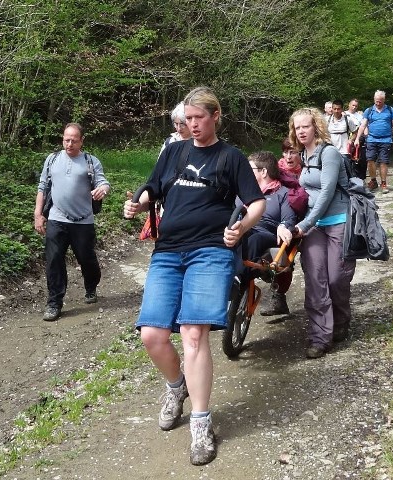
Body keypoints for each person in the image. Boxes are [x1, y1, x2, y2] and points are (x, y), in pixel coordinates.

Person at [123, 86, 265, 466]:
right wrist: (138, 203)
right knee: (152, 335)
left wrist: (242, 228)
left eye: (199, 118)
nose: (192, 125)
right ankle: (176, 387)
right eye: (188, 119)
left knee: (192, 333)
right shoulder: (173, 151)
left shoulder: (230, 157)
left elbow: (257, 203)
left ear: (215, 116)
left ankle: (201, 424)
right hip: (168, 252)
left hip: (210, 252)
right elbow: (153, 187)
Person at [280, 108, 356, 359]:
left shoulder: (330, 153)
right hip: (313, 226)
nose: (301, 131)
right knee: (315, 279)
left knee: (336, 278)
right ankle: (320, 337)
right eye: (297, 127)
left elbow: (326, 192)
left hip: (337, 221)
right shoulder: (303, 155)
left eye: (306, 126)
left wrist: (305, 223)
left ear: (316, 127)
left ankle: (341, 319)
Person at [34, 123, 111, 322]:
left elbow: (103, 182)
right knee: (54, 260)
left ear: (81, 140)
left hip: (83, 221)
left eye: (74, 140)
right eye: (66, 139)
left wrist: (103, 189)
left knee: (86, 259)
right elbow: (42, 187)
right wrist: (37, 214)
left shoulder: (90, 161)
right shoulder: (52, 160)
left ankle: (91, 285)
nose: (69, 144)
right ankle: (54, 303)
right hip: (56, 218)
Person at [240, 151, 297, 317]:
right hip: (240, 228)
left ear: (263, 171)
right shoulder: (243, 191)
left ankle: (241, 277)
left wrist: (283, 226)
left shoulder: (282, 193)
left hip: (266, 233)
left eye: (250, 169)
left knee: (254, 237)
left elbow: (288, 218)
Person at [354, 90, 393, 194]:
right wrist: (357, 138)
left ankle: (383, 183)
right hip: (371, 139)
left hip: (386, 139)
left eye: (380, 101)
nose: (378, 103)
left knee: (383, 162)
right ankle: (373, 181)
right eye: (376, 101)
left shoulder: (390, 110)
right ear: (374, 100)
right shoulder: (369, 110)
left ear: (384, 100)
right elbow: (363, 125)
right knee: (370, 160)